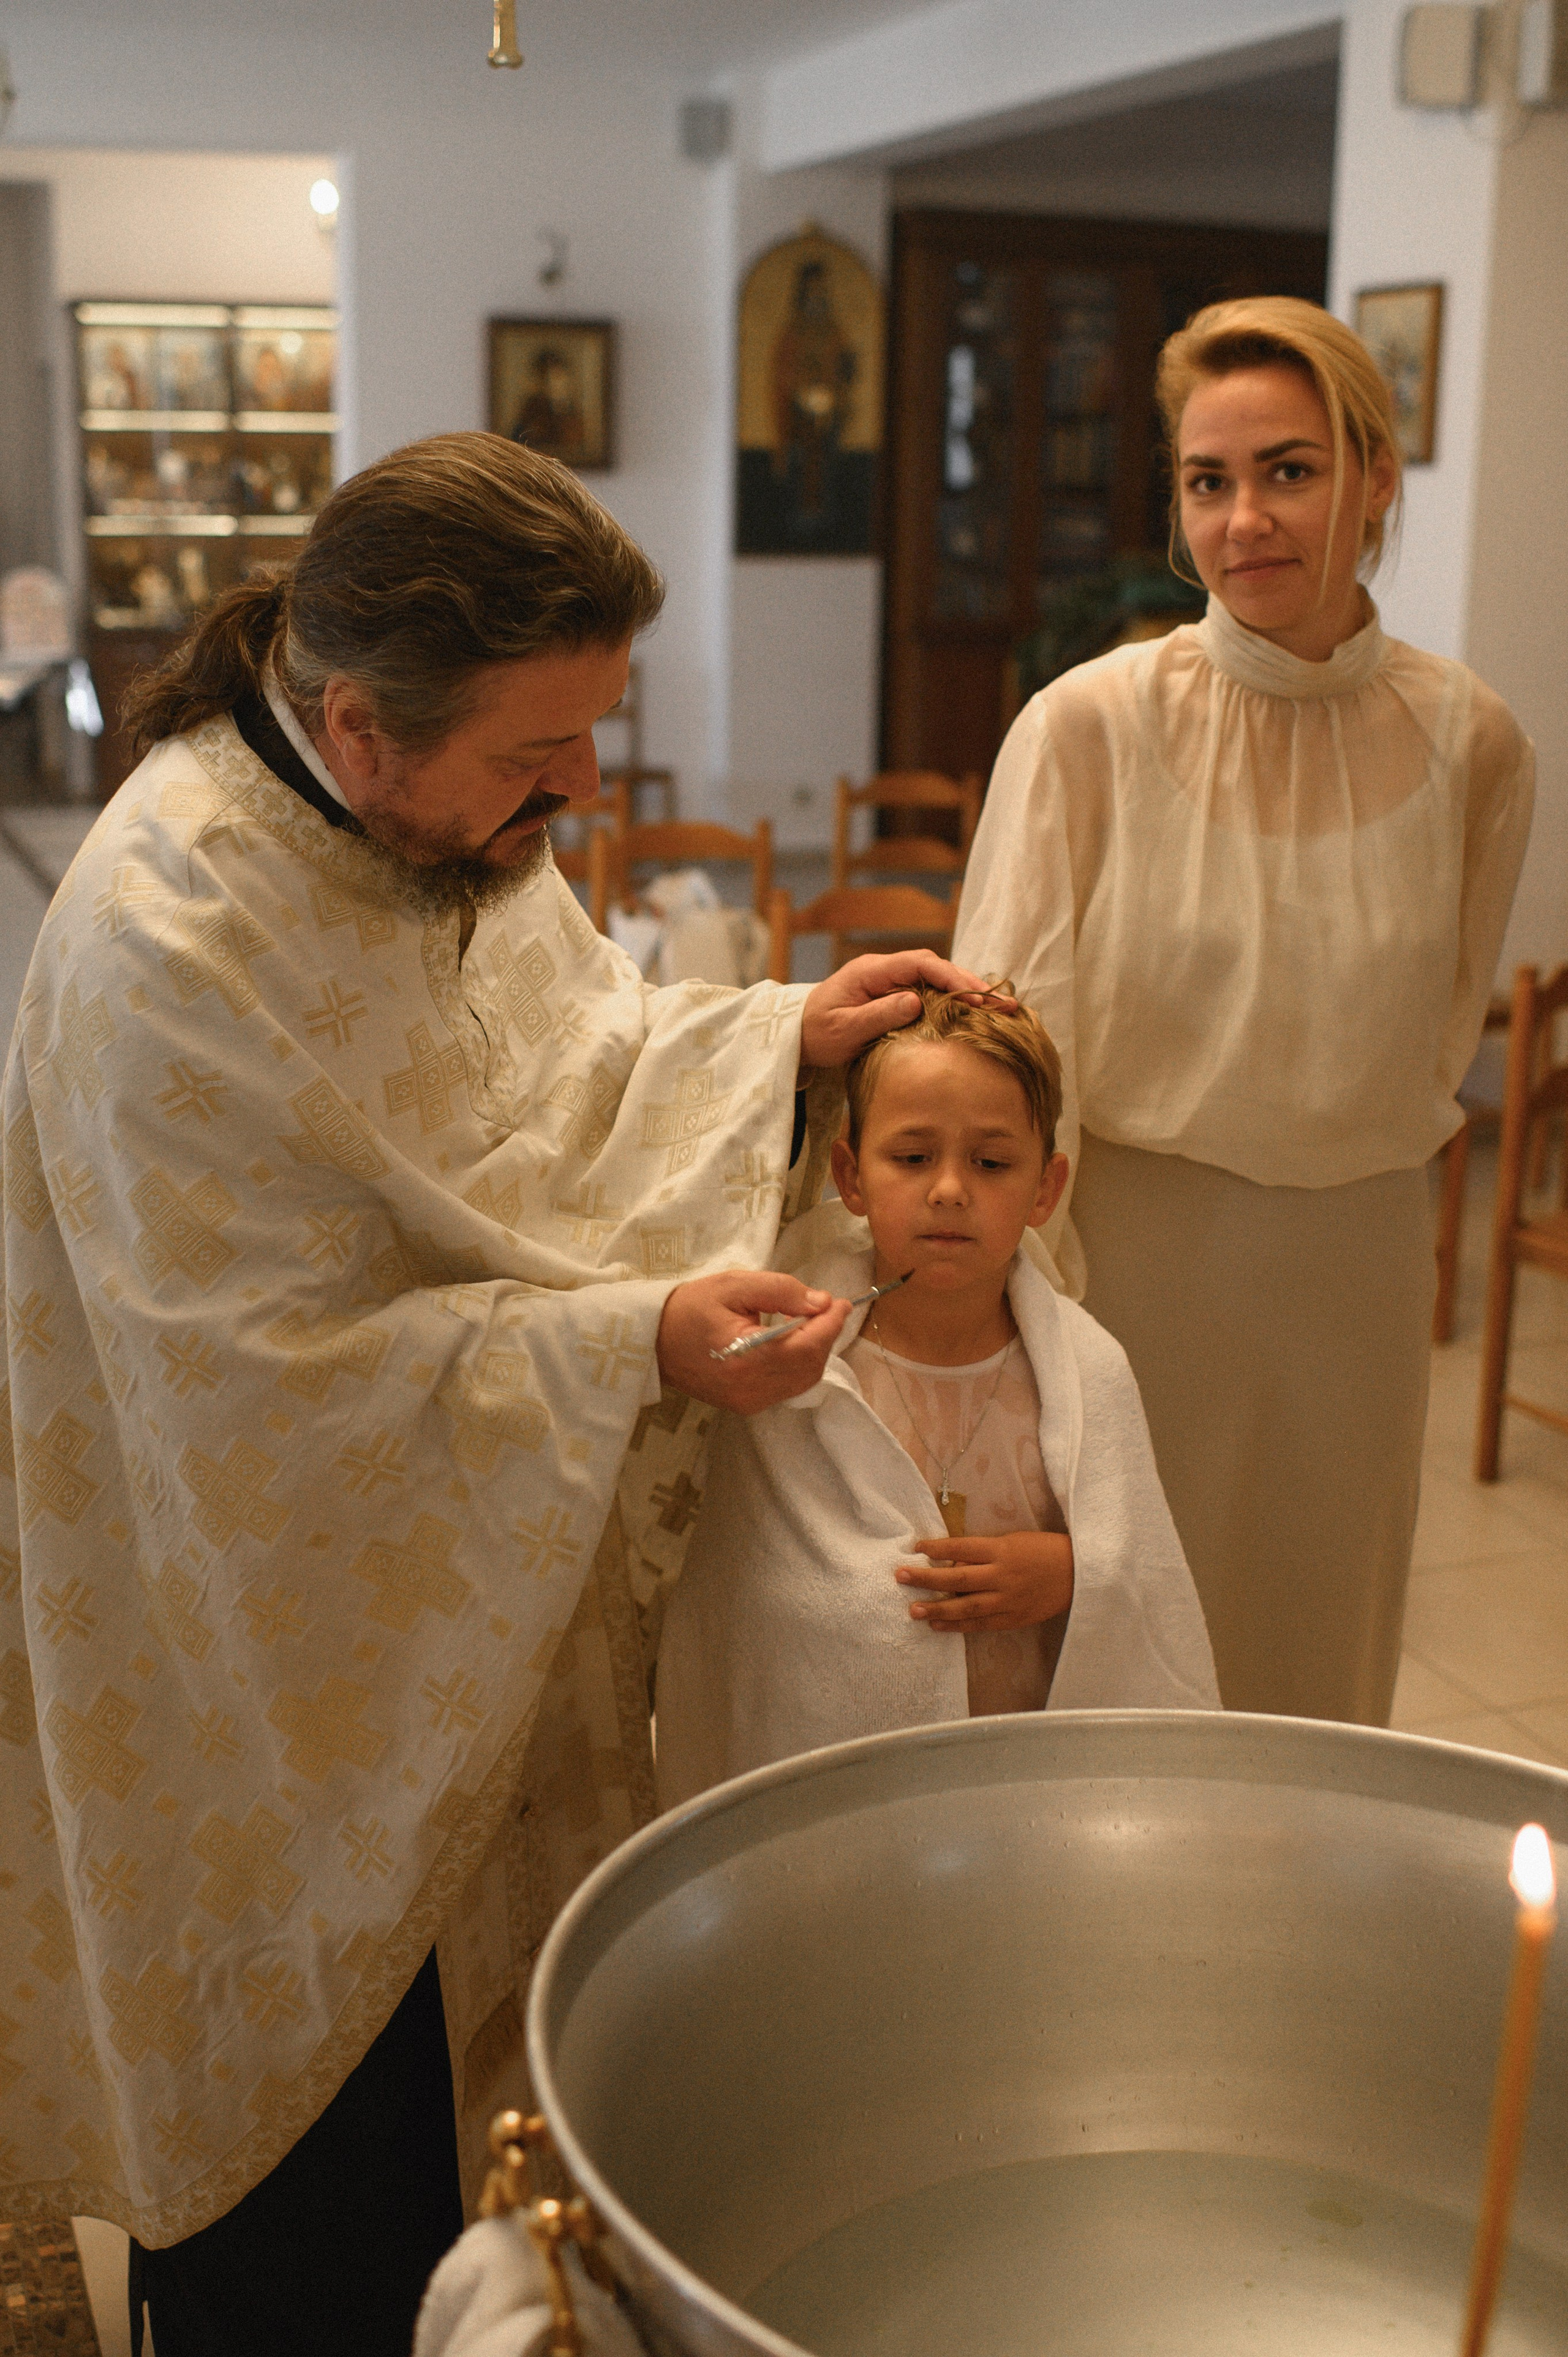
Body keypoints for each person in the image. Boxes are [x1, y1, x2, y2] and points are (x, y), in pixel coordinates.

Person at [0, 431, 995, 2356]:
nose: (586, 791)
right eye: (541, 755)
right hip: (277, 1710)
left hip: (473, 1639)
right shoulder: (165, 940)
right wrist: (634, 1341)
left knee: (491, 2188)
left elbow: (577, 1065)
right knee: (322, 2238)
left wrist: (780, 1036)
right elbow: (254, 1404)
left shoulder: (444, 828)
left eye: (598, 735)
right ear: (359, 723)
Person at [954, 297, 1534, 1726]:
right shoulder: (1086, 727)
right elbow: (996, 1044)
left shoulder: (1472, 740)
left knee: (1319, 1644)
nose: (1243, 521)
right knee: (1124, 1646)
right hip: (1131, 1263)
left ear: (1376, 476)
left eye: (1288, 470)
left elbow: (1442, 1017)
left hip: (1357, 1265)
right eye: (1206, 482)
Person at [655, 989, 1218, 1808]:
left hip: (1025, 1787)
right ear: (850, 1175)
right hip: (846, 1806)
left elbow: (1147, 1581)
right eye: (913, 1158)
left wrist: (1074, 1575)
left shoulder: (1090, 1372)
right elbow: (752, 1611)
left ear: (1044, 1190)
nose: (950, 1190)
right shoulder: (793, 1374)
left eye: (991, 1164)